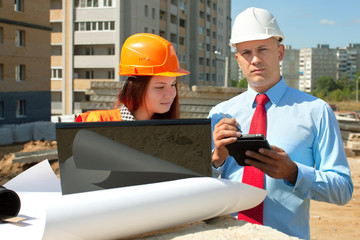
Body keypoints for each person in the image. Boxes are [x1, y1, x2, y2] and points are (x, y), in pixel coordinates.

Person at [209, 7, 353, 240]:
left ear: (280, 51)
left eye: (263, 49)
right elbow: (196, 189)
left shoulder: (316, 112)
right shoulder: (219, 115)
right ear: (237, 59)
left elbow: (343, 189)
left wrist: (294, 173)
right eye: (246, 52)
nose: (255, 59)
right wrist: (216, 159)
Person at [76, 33, 189, 122]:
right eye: (160, 87)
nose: (170, 94)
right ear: (136, 88)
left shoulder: (175, 134)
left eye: (173, 84)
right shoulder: (96, 125)